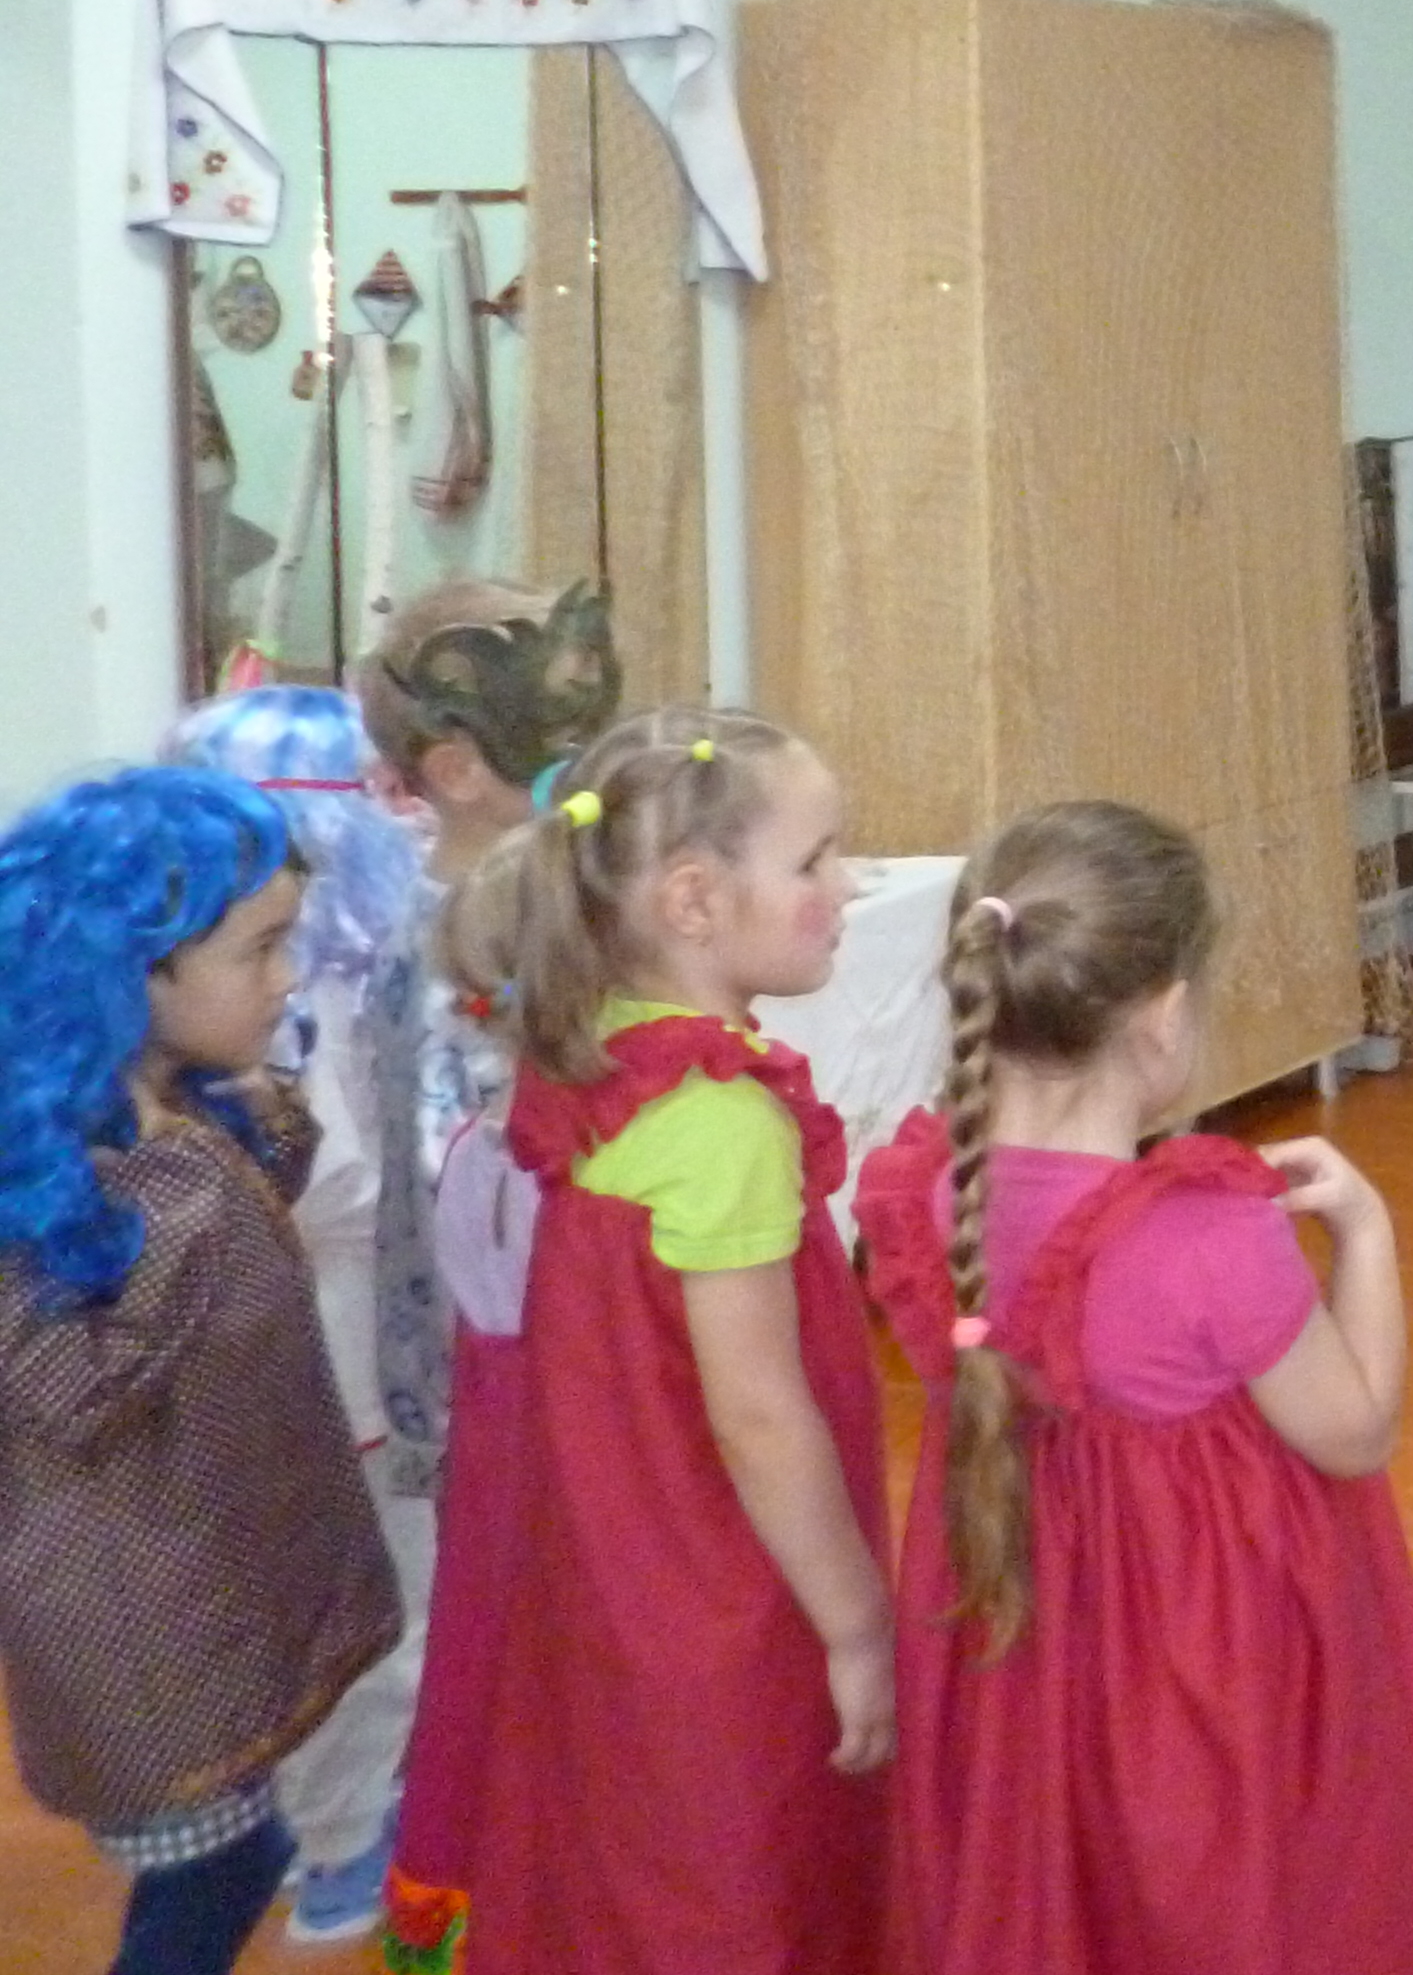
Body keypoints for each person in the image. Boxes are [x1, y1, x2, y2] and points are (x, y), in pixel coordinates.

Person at [857, 801, 1413, 1974]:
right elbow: (1354, 1432)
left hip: (1012, 1635)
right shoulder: (1208, 1235)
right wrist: (1368, 1233)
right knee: (1202, 1889)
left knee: (1055, 1868)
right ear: (1165, 1013)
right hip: (1194, 1671)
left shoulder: (931, 1198)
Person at [454, 706, 894, 1975]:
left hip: (615, 1567)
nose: (847, 885)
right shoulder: (721, 1122)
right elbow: (758, 1417)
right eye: (813, 860)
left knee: (630, 1854)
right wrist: (856, 1622)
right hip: (728, 1588)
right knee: (741, 1871)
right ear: (694, 900)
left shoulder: (594, 1055)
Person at [0, 767, 405, 1975]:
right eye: (260, 950)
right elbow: (68, 1385)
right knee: (219, 1868)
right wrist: (188, 1185)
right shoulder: (56, 1173)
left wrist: (241, 1126)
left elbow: (237, 1231)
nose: (286, 980)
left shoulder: (154, 1123)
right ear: (129, 974)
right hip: (135, 1639)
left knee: (232, 1856)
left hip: (196, 1599)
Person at [346, 579, 621, 1975]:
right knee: (499, 1634)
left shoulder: (540, 905)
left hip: (541, 1352)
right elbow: (466, 1192)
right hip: (496, 1366)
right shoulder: (447, 943)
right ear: (456, 767)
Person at [154, 688, 443, 1949]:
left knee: (293, 1605)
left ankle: (314, 1825)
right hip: (337, 1347)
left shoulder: (208, 989)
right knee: (372, 1603)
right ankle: (344, 1848)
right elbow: (354, 1186)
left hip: (273, 1350)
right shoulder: (309, 992)